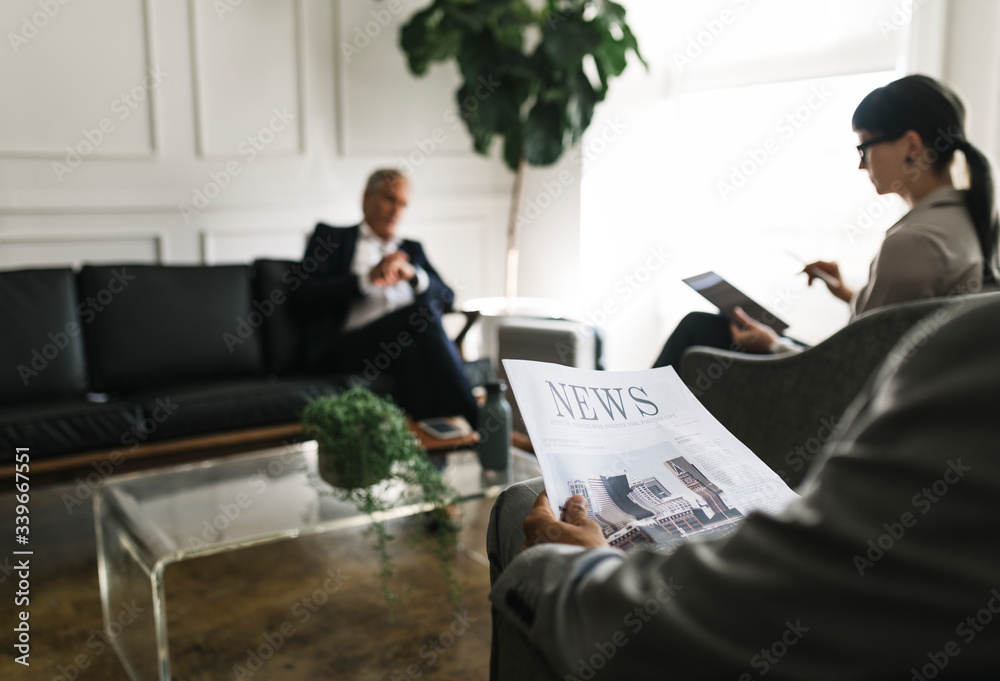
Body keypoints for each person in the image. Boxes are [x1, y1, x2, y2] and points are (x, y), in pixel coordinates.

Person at [487, 292, 1000, 679]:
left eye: (865, 148)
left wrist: (565, 570)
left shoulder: (974, 341)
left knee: (520, 511)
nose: (862, 165)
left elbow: (775, 604)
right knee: (700, 324)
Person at [652, 74, 998, 369]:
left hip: (838, 406)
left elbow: (851, 376)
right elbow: (895, 320)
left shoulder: (914, 243)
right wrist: (846, 292)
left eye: (864, 146)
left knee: (699, 329)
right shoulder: (968, 223)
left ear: (910, 146)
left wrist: (773, 347)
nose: (862, 164)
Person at [293, 169, 478, 426]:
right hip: (347, 346)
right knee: (420, 314)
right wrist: (366, 279)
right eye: (389, 199)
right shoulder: (331, 238)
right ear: (366, 198)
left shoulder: (411, 250)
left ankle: (432, 452)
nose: (396, 211)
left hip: (400, 344)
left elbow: (447, 297)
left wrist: (414, 276)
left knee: (411, 348)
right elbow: (304, 294)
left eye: (402, 204)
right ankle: (477, 418)